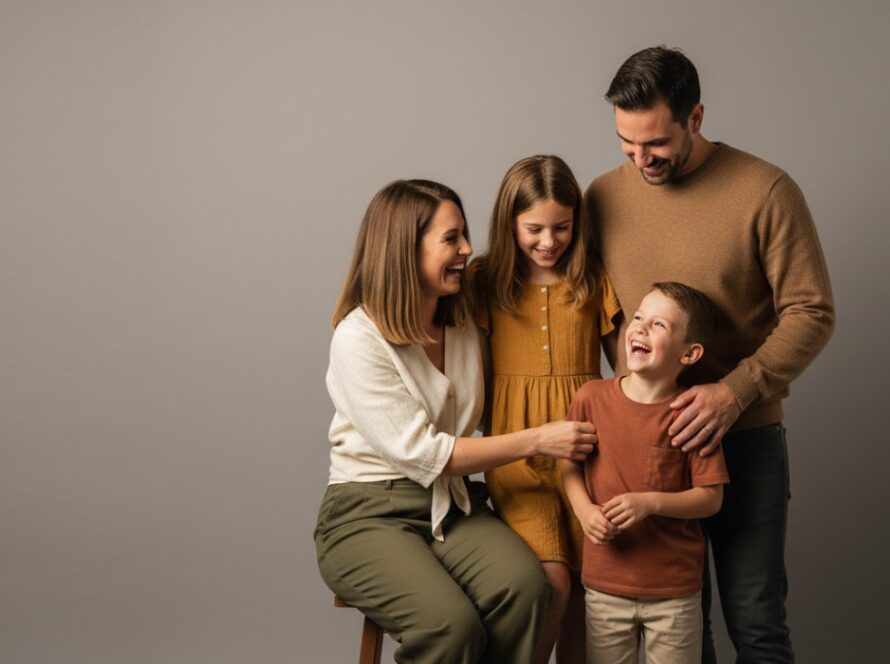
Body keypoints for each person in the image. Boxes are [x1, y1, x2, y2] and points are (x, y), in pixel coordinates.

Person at [585, 46, 835, 663]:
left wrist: (736, 391)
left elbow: (812, 310)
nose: (641, 160)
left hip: (744, 438)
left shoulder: (766, 189)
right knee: (682, 629)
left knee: (755, 621)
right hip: (650, 449)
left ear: (696, 117)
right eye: (626, 144)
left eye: (656, 144)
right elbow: (592, 307)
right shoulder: (601, 197)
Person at [315, 179, 598, 664]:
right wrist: (539, 440)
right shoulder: (358, 338)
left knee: (529, 592)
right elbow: (428, 455)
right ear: (406, 250)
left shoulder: (463, 318)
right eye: (451, 239)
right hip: (366, 514)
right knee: (450, 627)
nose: (468, 249)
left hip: (454, 506)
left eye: (464, 234)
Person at [468, 155, 622, 664]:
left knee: (585, 592)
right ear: (509, 222)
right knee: (551, 582)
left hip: (587, 455)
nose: (549, 241)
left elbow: (625, 373)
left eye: (562, 227)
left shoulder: (592, 280)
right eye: (534, 228)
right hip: (517, 459)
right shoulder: (483, 282)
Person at [563, 282, 730, 664]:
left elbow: (711, 498)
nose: (639, 328)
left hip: (674, 592)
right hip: (606, 585)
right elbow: (569, 468)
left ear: (690, 353)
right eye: (638, 318)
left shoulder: (692, 414)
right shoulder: (590, 398)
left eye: (659, 325)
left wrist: (650, 503)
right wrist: (585, 511)